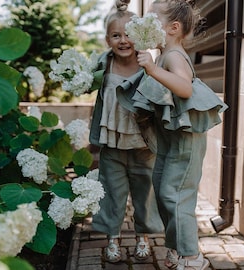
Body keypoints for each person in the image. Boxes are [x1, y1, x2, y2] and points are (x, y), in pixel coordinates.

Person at [134, 0, 228, 269]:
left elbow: (184, 89)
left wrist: (153, 69)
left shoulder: (174, 56)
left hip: (185, 141)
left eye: (152, 20)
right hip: (171, 140)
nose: (146, 24)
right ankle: (176, 246)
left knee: (175, 195)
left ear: (173, 28)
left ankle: (192, 256)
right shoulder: (164, 53)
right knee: (164, 193)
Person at [88, 0, 164, 264]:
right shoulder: (103, 64)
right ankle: (113, 237)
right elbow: (85, 82)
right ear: (108, 39)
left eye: (129, 34)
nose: (123, 40)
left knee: (146, 193)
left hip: (143, 143)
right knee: (111, 191)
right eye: (116, 35)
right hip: (113, 144)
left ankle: (143, 236)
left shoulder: (147, 63)